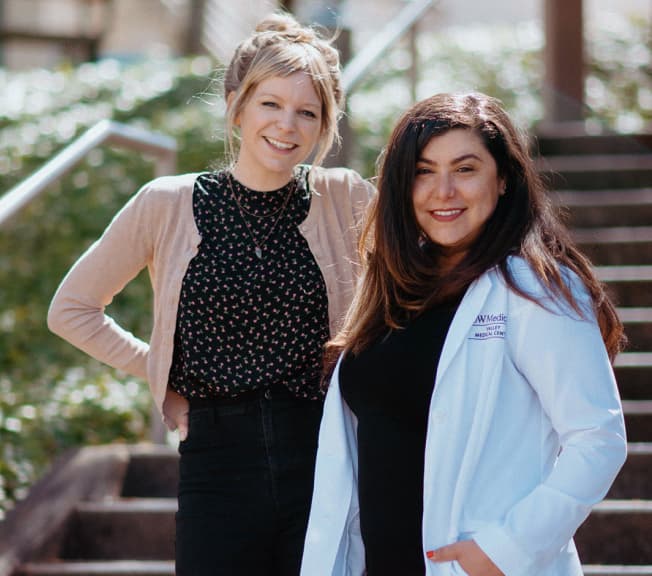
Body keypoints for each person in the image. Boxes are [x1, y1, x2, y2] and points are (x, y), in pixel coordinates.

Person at [47, 12, 375, 576]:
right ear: (235, 105)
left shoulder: (344, 198)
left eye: (307, 112)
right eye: (270, 104)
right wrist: (163, 377)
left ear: (324, 125)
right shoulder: (166, 204)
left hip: (322, 452)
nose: (287, 125)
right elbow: (72, 310)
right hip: (217, 457)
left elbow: (419, 282)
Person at [300, 92, 627, 576]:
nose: (443, 190)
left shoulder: (535, 288)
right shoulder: (394, 289)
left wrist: (507, 548)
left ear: (504, 181)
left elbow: (599, 438)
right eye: (424, 171)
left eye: (466, 169)